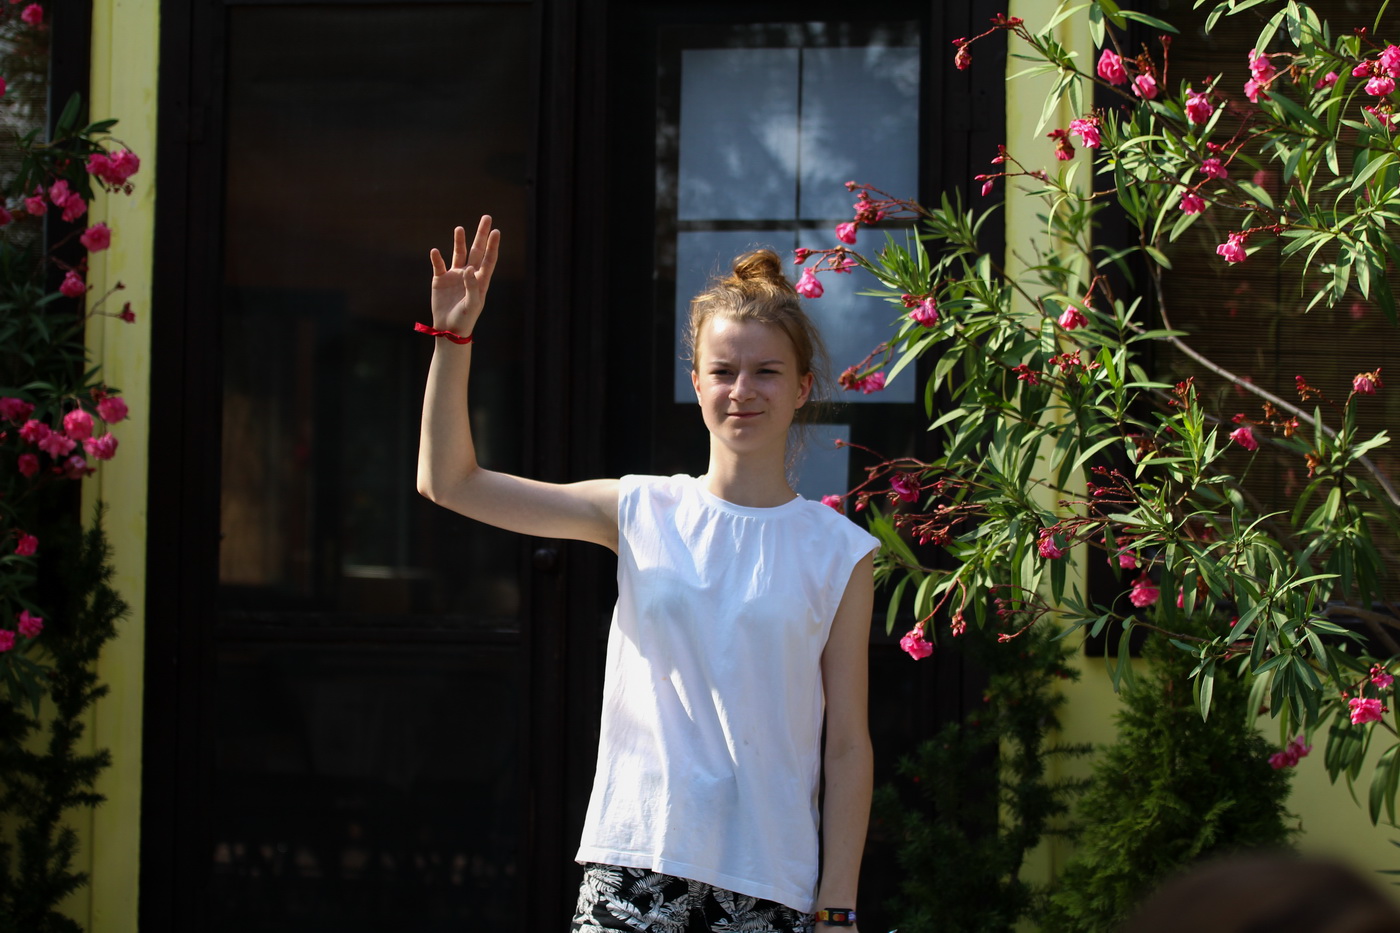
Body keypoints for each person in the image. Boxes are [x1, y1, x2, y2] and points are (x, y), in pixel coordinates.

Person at [418, 216, 878, 932]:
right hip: (634, 871)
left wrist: (838, 908)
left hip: (770, 885)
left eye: (766, 371)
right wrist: (453, 340)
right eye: (722, 371)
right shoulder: (640, 508)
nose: (742, 390)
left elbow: (847, 745)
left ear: (801, 387)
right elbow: (450, 482)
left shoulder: (840, 551)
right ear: (695, 384)